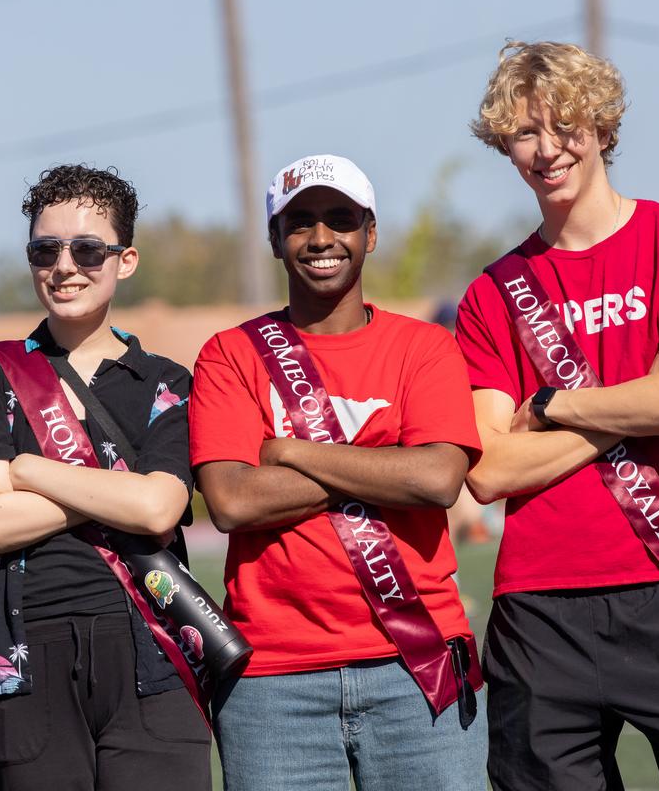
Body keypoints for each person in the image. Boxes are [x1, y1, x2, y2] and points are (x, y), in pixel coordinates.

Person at [456, 40, 659, 790]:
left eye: (565, 124)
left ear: (600, 126)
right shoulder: (493, 293)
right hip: (538, 613)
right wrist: (639, 401)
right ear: (506, 146)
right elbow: (491, 471)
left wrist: (551, 406)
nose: (547, 148)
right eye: (525, 133)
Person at [190, 154, 486, 790]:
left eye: (340, 220)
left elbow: (437, 479)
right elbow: (234, 501)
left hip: (419, 664)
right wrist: (386, 458)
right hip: (272, 681)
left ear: (369, 233)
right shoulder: (230, 354)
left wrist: (291, 450)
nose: (321, 239)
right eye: (300, 223)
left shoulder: (426, 346)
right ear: (275, 239)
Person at [0, 164, 210, 790]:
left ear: (126, 259)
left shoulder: (166, 382)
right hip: (27, 660)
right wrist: (120, 489)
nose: (64, 266)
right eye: (45, 249)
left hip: (155, 657)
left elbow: (159, 512)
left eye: (87, 249)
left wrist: (30, 470)